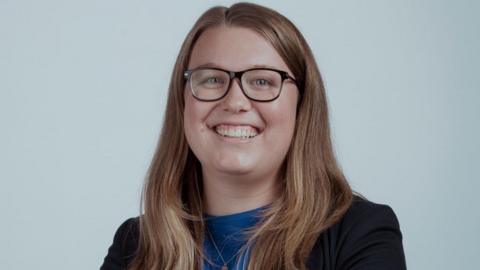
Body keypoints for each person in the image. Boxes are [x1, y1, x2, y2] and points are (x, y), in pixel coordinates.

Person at [100, 2, 406, 270]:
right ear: (182, 103)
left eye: (262, 81)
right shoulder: (134, 245)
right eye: (212, 79)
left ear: (302, 105)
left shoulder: (361, 233)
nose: (234, 102)